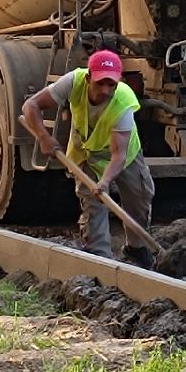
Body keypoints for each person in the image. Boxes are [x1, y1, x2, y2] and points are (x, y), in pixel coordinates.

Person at [20, 50, 157, 269]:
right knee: (93, 207)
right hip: (86, 153)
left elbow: (118, 155)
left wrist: (105, 181)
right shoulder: (73, 82)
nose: (105, 90)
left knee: (139, 201)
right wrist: (44, 137)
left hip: (124, 157)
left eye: (111, 85)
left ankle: (135, 248)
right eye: (100, 83)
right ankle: (100, 260)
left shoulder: (124, 102)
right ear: (88, 77)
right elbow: (30, 106)